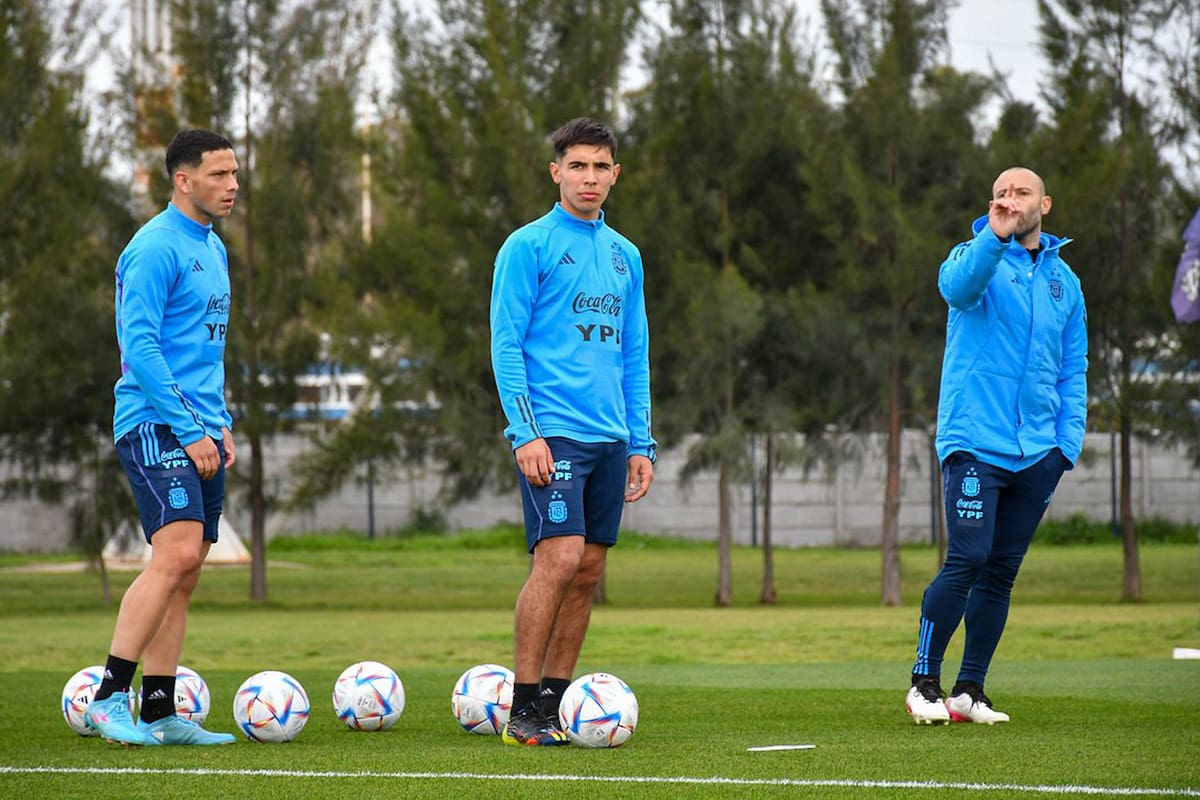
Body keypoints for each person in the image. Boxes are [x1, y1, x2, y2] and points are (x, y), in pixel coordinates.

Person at [490, 117, 657, 746]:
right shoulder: (527, 246)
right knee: (557, 557)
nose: (590, 178)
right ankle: (523, 707)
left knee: (587, 571)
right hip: (550, 433)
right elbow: (506, 346)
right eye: (577, 166)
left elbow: (633, 353)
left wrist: (641, 442)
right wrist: (524, 432)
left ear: (616, 174)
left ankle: (557, 703)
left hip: (610, 437)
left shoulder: (625, 256)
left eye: (601, 167)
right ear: (555, 172)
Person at [905, 167, 1088, 725]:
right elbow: (955, 290)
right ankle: (923, 684)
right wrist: (993, 233)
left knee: (1002, 569)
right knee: (969, 556)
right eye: (1002, 193)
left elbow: (1072, 367)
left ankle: (969, 690)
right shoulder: (973, 254)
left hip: (1038, 452)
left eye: (1021, 193)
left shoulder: (1066, 283)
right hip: (973, 442)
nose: (1011, 199)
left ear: (1045, 204)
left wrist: (1066, 446)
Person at [84, 129, 240, 746]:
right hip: (154, 425)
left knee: (187, 570)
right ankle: (107, 698)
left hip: (200, 427)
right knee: (173, 556)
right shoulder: (153, 247)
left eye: (234, 175)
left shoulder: (212, 247)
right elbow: (141, 348)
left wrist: (219, 423)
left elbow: (206, 350)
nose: (232, 186)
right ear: (183, 180)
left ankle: (159, 710)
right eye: (219, 175)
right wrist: (190, 428)